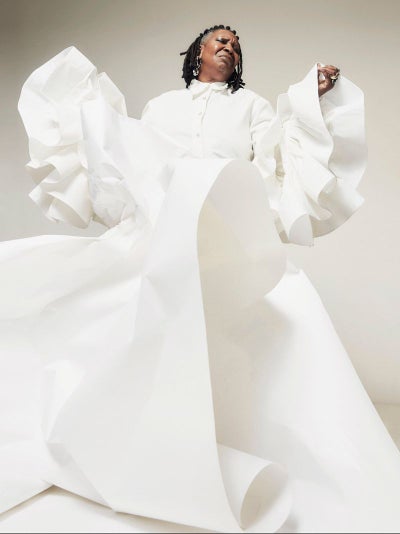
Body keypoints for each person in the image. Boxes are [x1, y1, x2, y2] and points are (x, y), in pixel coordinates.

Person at [1, 24, 400, 533]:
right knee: (139, 323)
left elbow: (276, 160)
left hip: (225, 232)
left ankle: (256, 442)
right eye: (220, 40)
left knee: (274, 321)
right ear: (197, 53)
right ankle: (142, 440)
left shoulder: (251, 107)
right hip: (165, 232)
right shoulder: (161, 107)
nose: (229, 46)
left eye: (236, 44)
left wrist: (312, 100)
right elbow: (137, 160)